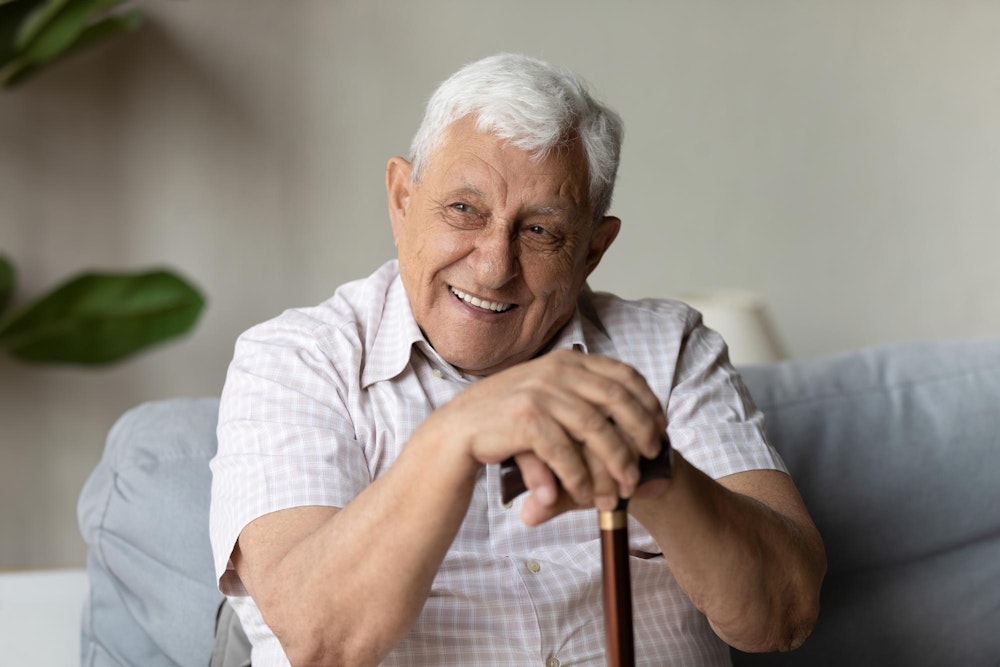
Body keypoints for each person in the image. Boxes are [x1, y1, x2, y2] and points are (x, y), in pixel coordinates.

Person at [209, 53, 826, 666]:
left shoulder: (671, 351)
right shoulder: (294, 362)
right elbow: (322, 642)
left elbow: (786, 616)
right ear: (401, 199)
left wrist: (655, 475)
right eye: (463, 210)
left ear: (591, 251)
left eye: (540, 232)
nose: (493, 266)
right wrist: (457, 431)